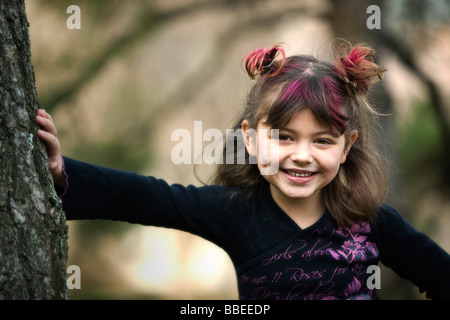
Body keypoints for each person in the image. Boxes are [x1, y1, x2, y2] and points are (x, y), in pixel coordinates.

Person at [36, 41, 450, 300]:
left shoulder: (370, 222)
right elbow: (148, 197)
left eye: (322, 141)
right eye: (284, 137)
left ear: (346, 148)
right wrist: (60, 172)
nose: (302, 155)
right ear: (251, 140)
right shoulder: (234, 211)